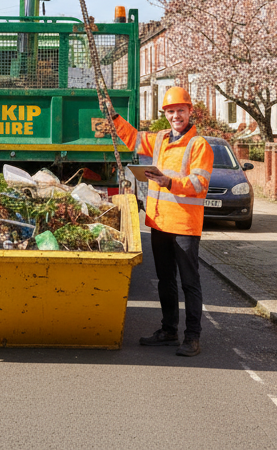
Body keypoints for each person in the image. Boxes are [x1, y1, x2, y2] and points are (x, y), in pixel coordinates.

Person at [102, 86, 213, 356]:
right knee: (165, 280)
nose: (176, 115)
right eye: (171, 111)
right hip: (159, 223)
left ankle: (193, 337)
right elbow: (134, 139)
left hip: (185, 225)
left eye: (180, 111)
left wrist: (169, 182)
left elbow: (199, 183)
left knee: (189, 282)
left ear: (190, 112)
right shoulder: (162, 138)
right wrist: (114, 116)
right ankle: (168, 330)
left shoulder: (199, 145)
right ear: (165, 114)